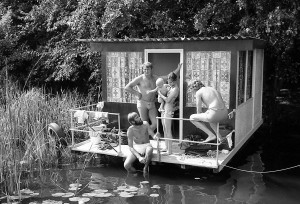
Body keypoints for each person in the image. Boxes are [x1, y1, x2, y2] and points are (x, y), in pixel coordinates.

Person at [125, 62, 182, 131]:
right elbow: (127, 87)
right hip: (142, 103)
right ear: (143, 70)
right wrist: (137, 93)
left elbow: (167, 77)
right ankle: (143, 139)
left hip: (152, 104)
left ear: (151, 69)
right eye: (145, 69)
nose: (146, 71)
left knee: (155, 124)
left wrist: (178, 69)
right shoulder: (139, 79)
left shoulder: (155, 78)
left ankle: (146, 134)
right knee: (144, 123)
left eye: (148, 69)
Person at [157, 72, 179, 154]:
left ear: (175, 80)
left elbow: (168, 100)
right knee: (164, 130)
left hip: (169, 111)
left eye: (172, 82)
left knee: (168, 131)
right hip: (164, 110)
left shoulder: (175, 89)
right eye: (169, 82)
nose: (170, 84)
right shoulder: (170, 87)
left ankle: (170, 151)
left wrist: (159, 94)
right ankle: (166, 147)